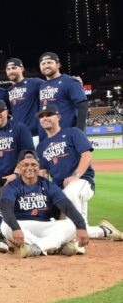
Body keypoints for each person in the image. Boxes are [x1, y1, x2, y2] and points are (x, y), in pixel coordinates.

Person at [36, 105, 122, 246]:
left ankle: (77, 243)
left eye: (49, 114)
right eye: (41, 116)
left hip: (82, 182)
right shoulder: (41, 146)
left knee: (71, 191)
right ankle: (103, 230)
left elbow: (87, 156)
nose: (45, 118)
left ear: (58, 117)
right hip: (60, 190)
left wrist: (75, 176)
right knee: (64, 225)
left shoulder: (72, 133)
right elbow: (44, 172)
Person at [0, 151, 89, 258]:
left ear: (39, 166)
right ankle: (54, 247)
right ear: (18, 167)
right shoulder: (12, 187)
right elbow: (6, 209)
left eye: (33, 164)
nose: (30, 168)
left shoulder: (48, 185)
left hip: (46, 226)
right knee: (5, 226)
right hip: (23, 226)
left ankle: (37, 248)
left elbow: (66, 206)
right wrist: (16, 228)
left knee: (73, 225)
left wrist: (81, 226)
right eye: (25, 165)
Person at [38, 52, 88, 133]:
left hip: (67, 132)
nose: (46, 66)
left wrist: (79, 131)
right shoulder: (41, 86)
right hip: (47, 134)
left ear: (58, 65)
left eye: (49, 62)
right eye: (43, 63)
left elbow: (82, 105)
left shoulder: (70, 81)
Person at [5, 58, 44, 145]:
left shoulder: (34, 83)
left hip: (36, 135)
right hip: (18, 135)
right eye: (8, 69)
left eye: (14, 68)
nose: (11, 71)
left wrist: (73, 80)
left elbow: (53, 85)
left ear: (22, 69)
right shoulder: (9, 90)